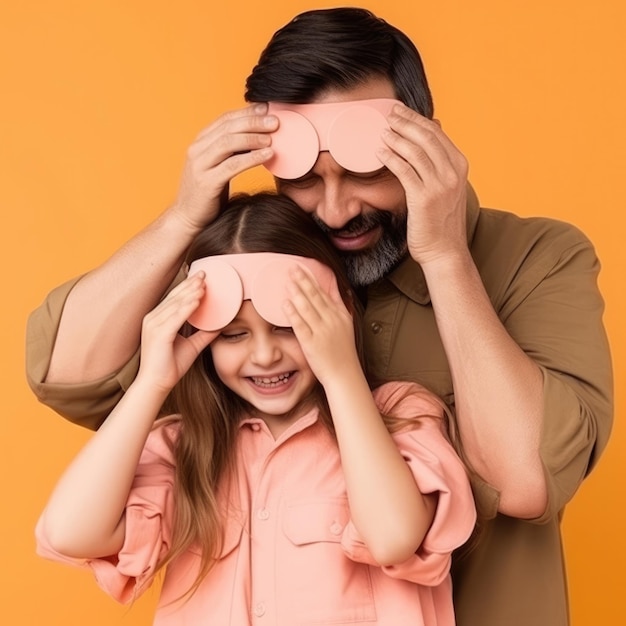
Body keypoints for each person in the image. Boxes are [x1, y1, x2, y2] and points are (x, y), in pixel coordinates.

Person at [26, 7, 613, 626]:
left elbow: (527, 482)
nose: (333, 212)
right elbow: (65, 376)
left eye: (365, 171)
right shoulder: (248, 273)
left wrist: (443, 254)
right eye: (303, 179)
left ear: (427, 142)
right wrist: (182, 220)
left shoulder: (540, 258)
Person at [35, 193, 476, 626]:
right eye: (232, 334)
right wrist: (151, 383)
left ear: (337, 312)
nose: (264, 355)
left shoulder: (401, 413)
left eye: (287, 327)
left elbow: (393, 538)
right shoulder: (185, 447)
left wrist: (341, 375)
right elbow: (70, 533)